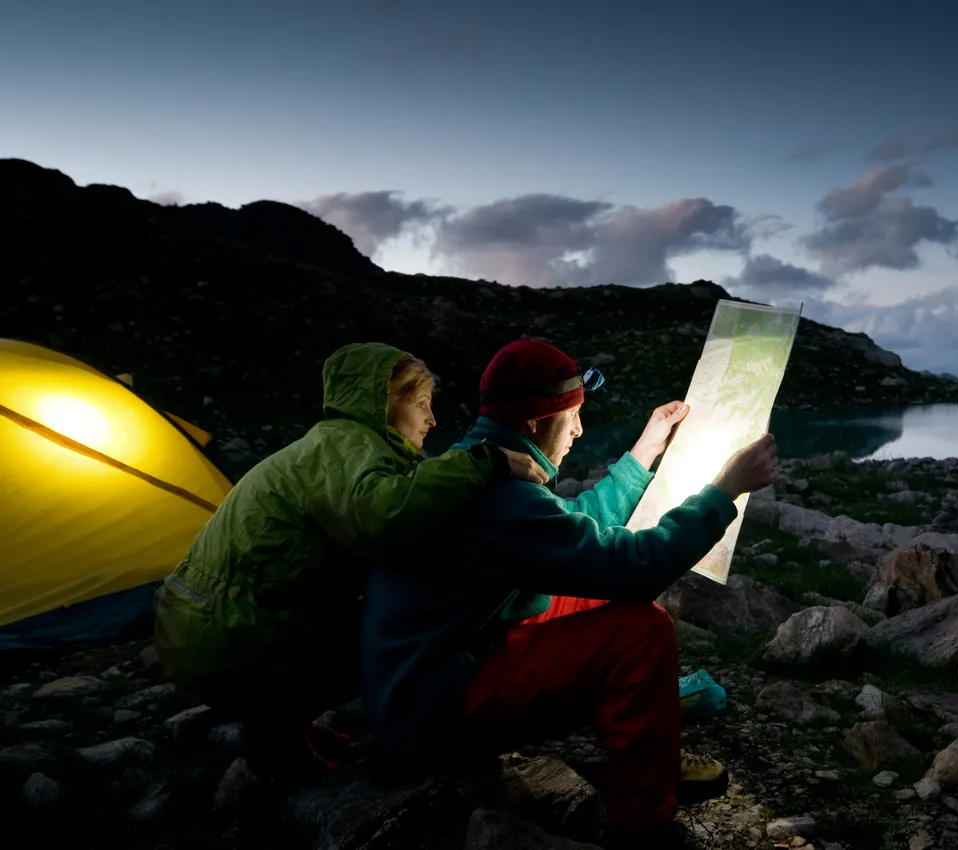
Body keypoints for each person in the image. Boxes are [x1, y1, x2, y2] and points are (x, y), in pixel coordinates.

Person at [361, 338, 781, 849]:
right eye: (574, 415)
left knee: (602, 601)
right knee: (640, 631)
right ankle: (640, 823)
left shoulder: (477, 463)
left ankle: (643, 753)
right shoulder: (501, 497)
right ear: (538, 421)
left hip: (434, 672)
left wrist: (643, 453)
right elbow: (632, 567)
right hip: (431, 711)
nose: (580, 429)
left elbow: (569, 534)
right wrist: (723, 490)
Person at [153, 341, 547, 786]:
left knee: (359, 618)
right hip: (227, 635)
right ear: (385, 403)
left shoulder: (336, 445)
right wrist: (484, 462)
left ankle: (279, 721)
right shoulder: (347, 447)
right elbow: (383, 517)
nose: (432, 420)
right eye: (421, 405)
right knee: (380, 638)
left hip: (208, 621)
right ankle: (276, 748)